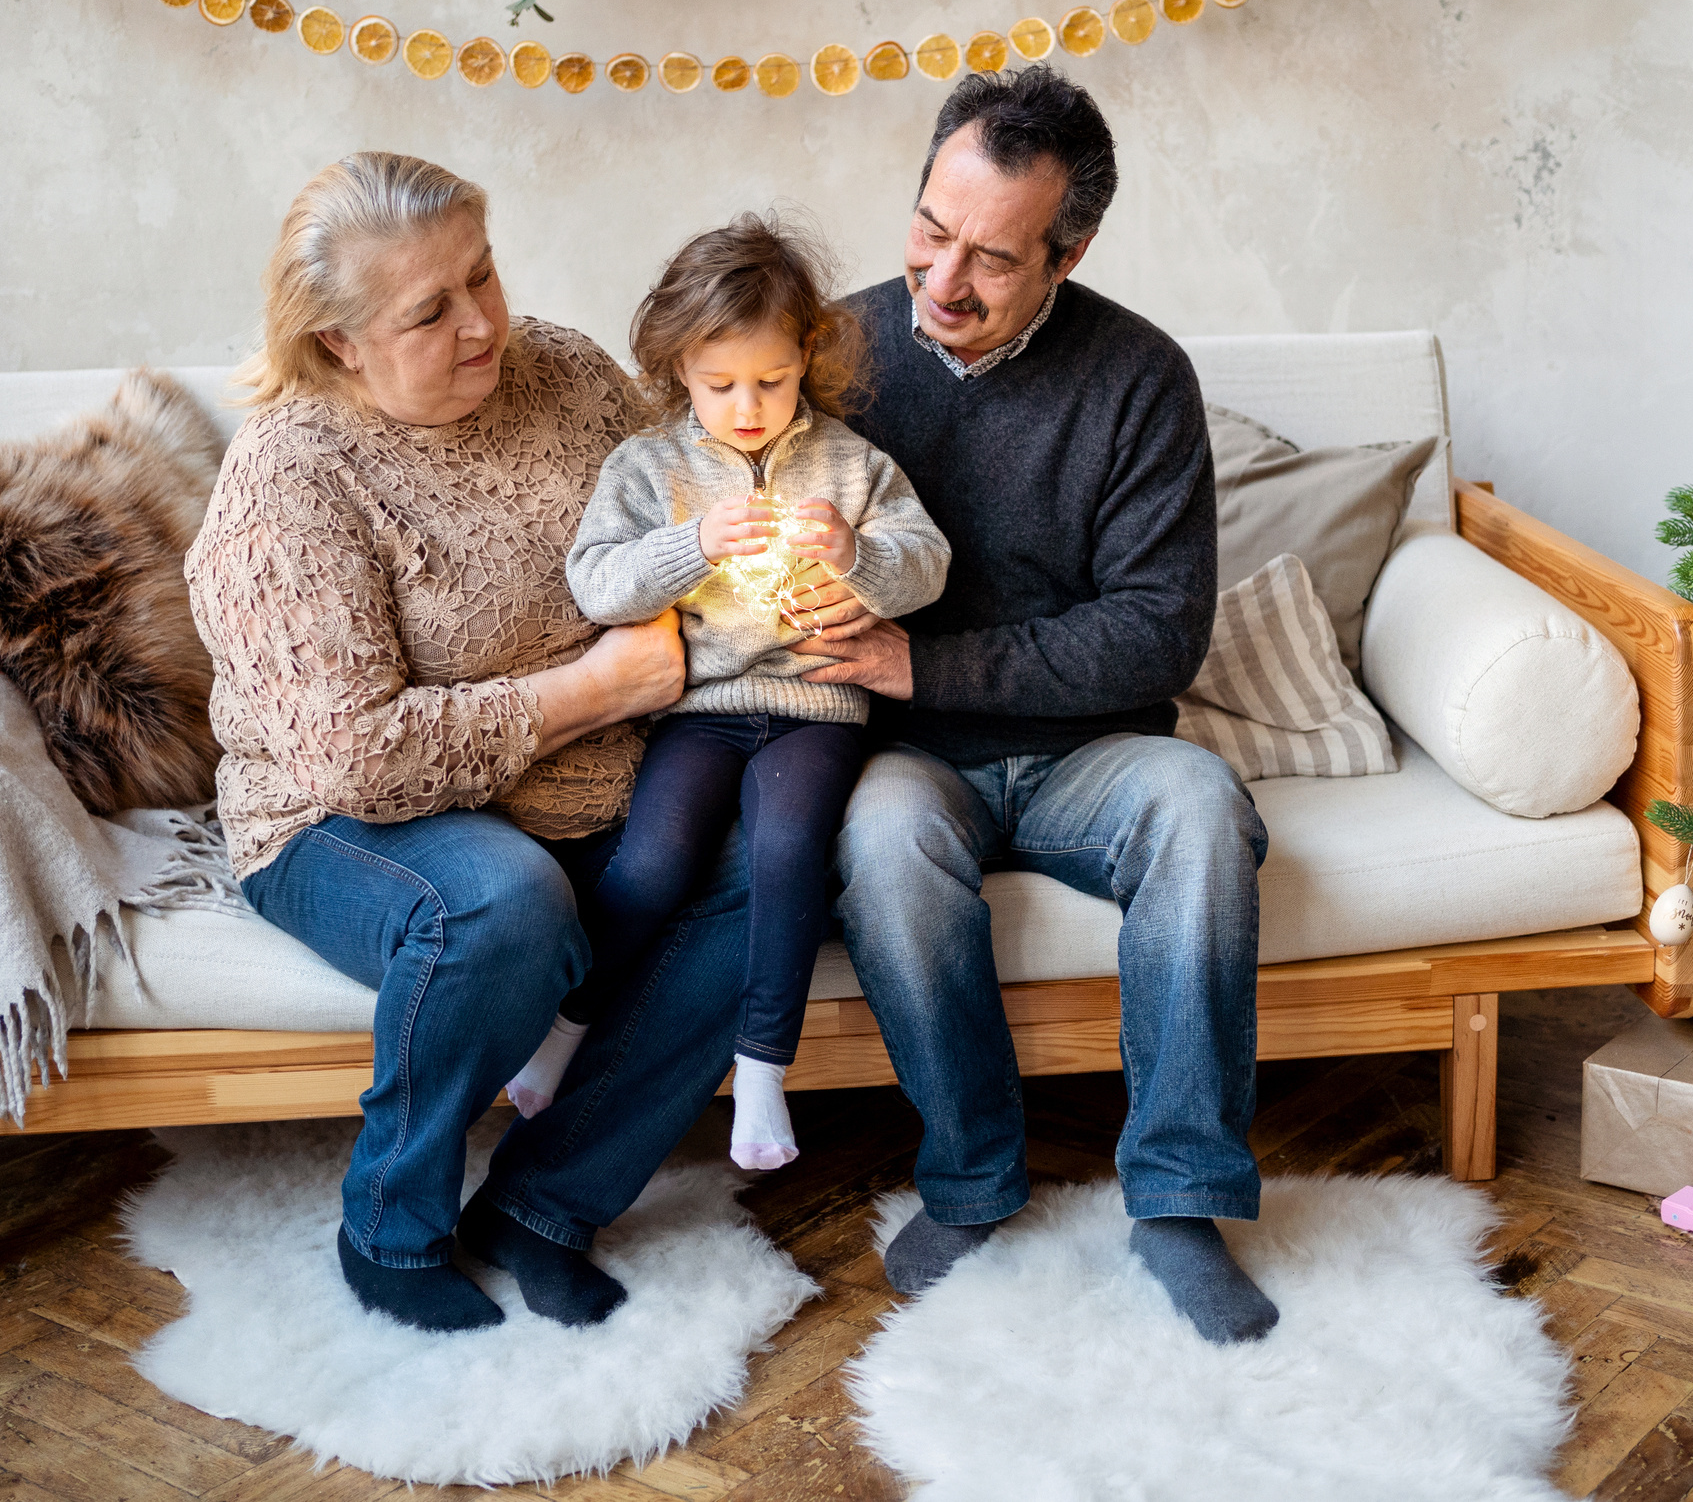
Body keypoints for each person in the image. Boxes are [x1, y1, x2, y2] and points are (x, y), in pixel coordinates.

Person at [798, 66, 1279, 1345]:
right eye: (930, 230)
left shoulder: (1140, 377)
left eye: (994, 259)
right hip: (908, 759)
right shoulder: (829, 354)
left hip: (1091, 754)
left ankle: (1179, 1201)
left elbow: (1157, 633)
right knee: (881, 842)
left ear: (1071, 252)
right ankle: (970, 1179)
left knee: (1200, 807)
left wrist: (924, 666)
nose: (944, 281)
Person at [185, 150, 701, 1334]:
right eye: (429, 311)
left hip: (593, 787)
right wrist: (591, 690)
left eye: (483, 274)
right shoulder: (289, 480)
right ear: (338, 342)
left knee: (771, 870)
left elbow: (677, 515)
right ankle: (390, 1222)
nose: (481, 323)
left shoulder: (566, 371)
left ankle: (542, 1204)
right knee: (501, 901)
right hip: (339, 821)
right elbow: (355, 757)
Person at [501, 216, 950, 1171]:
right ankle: (565, 1028)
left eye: (772, 381)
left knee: (789, 854)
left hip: (817, 707)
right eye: (720, 385)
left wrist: (857, 554)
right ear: (679, 370)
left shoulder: (851, 463)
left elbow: (928, 564)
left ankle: (760, 1072)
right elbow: (597, 583)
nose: (748, 408)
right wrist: (693, 544)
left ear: (806, 358)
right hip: (699, 714)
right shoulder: (647, 467)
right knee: (652, 865)